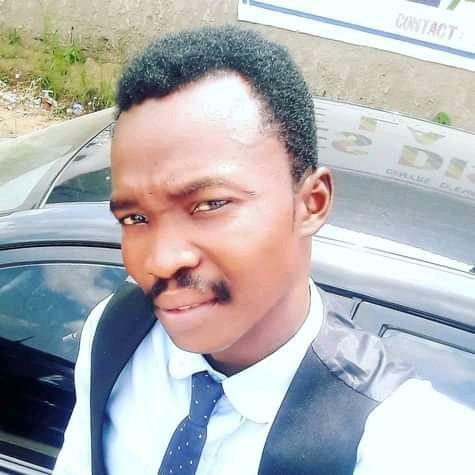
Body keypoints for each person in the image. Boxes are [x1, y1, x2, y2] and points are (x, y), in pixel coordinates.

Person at [53, 26, 475, 475]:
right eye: (135, 218)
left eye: (210, 204)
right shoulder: (117, 333)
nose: (160, 261)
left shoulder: (409, 444)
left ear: (311, 204)